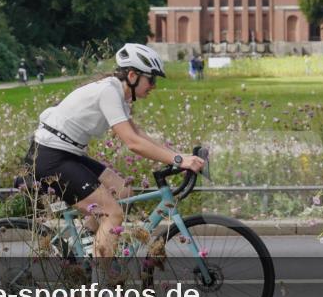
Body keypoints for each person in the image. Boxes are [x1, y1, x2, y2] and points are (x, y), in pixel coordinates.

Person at [29, 43, 205, 260]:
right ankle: (101, 278)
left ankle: (89, 247)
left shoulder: (118, 94)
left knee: (123, 192)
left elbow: (138, 133)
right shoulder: (108, 92)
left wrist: (180, 156)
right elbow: (133, 143)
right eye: (151, 79)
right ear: (132, 76)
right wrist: (178, 159)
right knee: (112, 214)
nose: (154, 86)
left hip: (67, 153)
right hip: (50, 157)